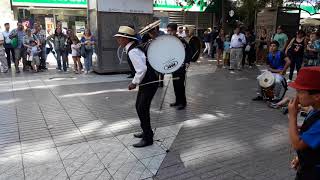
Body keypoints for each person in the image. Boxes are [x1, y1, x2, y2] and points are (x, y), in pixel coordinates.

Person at [114, 26, 158, 148]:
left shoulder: (133, 51)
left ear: (125, 39)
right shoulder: (132, 48)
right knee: (140, 107)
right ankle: (146, 132)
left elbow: (142, 69)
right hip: (147, 82)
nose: (117, 40)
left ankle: (148, 138)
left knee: (142, 108)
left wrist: (134, 82)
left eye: (119, 38)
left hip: (149, 83)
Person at [287, 67, 320, 180]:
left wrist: (292, 116)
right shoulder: (314, 110)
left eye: (300, 92)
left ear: (316, 96)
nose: (296, 96)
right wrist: (300, 159)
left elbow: (298, 144)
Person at [167, 23, 192, 110]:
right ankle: (177, 101)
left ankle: (183, 102)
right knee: (175, 84)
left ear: (175, 31)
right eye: (168, 31)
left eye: (170, 31)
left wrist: (187, 62)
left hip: (181, 66)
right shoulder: (169, 41)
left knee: (180, 85)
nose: (169, 33)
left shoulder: (181, 40)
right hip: (174, 66)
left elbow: (188, 51)